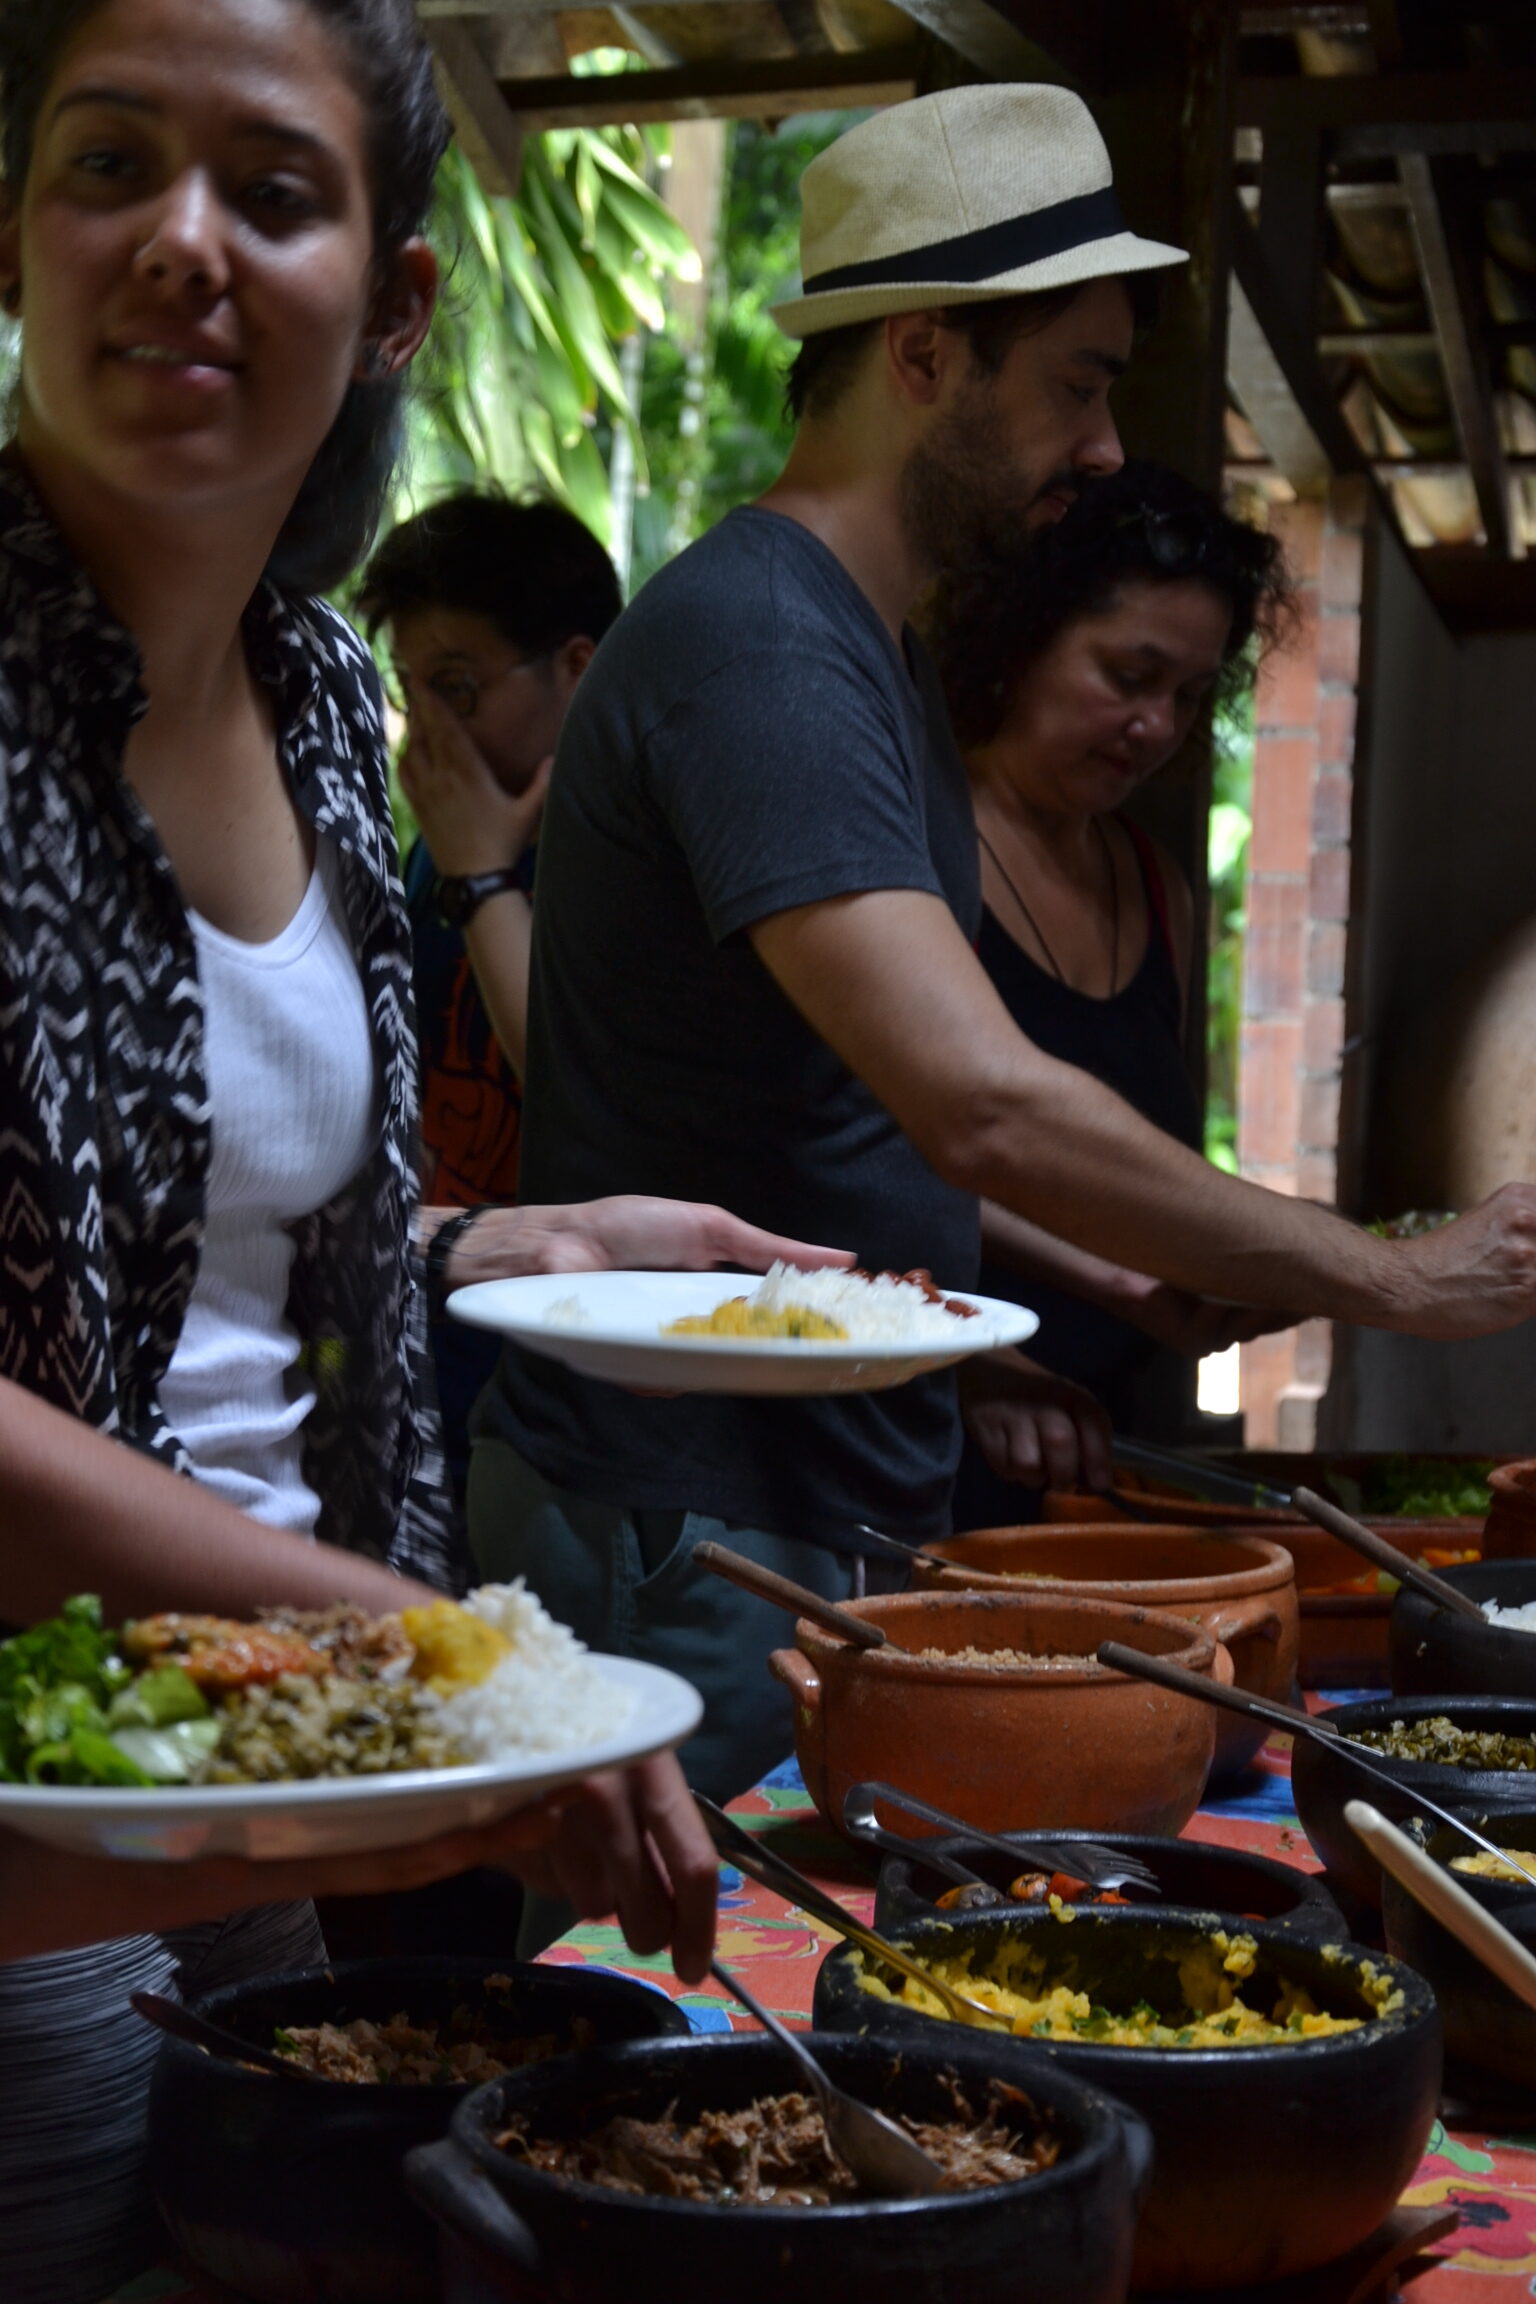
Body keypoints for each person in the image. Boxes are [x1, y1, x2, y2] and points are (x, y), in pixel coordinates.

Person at [0, 3, 833, 2291]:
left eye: (269, 193)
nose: (179, 240)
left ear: (391, 297)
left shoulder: (315, 693)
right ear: (16, 230)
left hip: (270, 1797)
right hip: (46, 1846)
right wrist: (472, 1665)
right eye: (106, 165)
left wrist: (518, 1236)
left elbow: (191, 1257)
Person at [471, 82, 1536, 1831]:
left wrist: (1122, 1280)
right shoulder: (763, 647)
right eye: (1079, 378)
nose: (1107, 443)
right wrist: (1392, 1278)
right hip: (697, 1512)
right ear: (920, 357)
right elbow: (976, 1099)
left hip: (805, 1495)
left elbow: (854, 1115)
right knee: (661, 2045)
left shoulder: (861, 647)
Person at [923, 462, 1296, 1528]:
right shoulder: (914, 854)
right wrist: (973, 1363)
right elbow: (851, 1167)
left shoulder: (1158, 891)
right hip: (924, 1449)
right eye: (1128, 675)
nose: (1156, 723)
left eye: (1186, 694)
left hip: (1103, 1458)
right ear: (1022, 635)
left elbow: (1138, 1170)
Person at [358, 493, 622, 1520]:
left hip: (564, 1365)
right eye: (413, 688)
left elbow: (569, 1085)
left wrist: (479, 876)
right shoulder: (448, 840)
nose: (428, 726)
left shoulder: (618, 854)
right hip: (435, 1317)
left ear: (578, 666)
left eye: (460, 687)